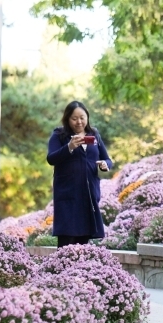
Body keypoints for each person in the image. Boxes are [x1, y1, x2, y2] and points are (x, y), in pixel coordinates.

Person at [46, 101, 114, 248]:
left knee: (84, 239)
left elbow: (107, 159)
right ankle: (61, 270)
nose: (79, 122)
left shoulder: (94, 135)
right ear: (67, 119)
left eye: (82, 117)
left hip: (88, 194)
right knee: (67, 238)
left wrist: (104, 165)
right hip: (67, 194)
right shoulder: (59, 135)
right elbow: (51, 158)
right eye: (74, 118)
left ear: (87, 117)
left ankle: (80, 269)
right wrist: (69, 147)